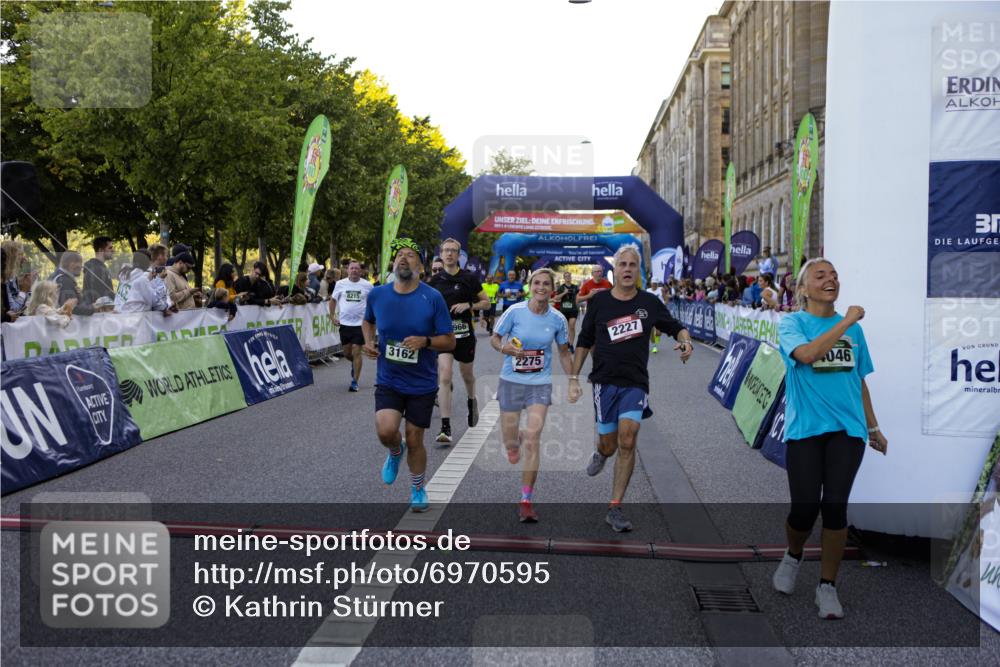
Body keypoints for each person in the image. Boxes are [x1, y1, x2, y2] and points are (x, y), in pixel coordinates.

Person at [771, 258, 887, 620]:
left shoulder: (853, 330)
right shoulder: (792, 324)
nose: (831, 279)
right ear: (803, 289)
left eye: (834, 275)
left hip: (847, 430)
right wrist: (847, 321)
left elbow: (859, 380)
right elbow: (807, 355)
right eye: (820, 275)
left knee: (835, 506)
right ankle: (793, 554)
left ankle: (827, 587)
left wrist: (872, 427)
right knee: (804, 509)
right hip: (806, 429)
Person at [569, 244, 693, 533]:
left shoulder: (649, 303)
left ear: (639, 270)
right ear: (614, 270)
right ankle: (601, 452)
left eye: (632, 265)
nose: (626, 269)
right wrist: (573, 380)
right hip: (604, 382)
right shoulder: (599, 303)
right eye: (622, 264)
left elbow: (676, 327)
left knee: (628, 438)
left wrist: (685, 342)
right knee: (609, 444)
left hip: (635, 382)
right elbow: (584, 342)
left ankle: (615, 506)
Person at [362, 238, 455, 512]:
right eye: (399, 255)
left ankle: (417, 489)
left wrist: (425, 342)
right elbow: (368, 320)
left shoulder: (432, 297)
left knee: (415, 439)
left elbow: (449, 341)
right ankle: (394, 450)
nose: (403, 259)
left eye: (411, 255)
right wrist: (368, 341)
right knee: (386, 430)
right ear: (393, 264)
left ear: (421, 266)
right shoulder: (377, 294)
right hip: (389, 378)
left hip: (422, 382)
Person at [491, 268, 573, 523]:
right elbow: (495, 338)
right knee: (511, 440)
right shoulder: (514, 312)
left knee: (534, 438)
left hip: (540, 382)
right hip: (512, 380)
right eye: (536, 283)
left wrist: (573, 380)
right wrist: (503, 347)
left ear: (552, 289)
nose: (541, 288)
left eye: (546, 284)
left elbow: (562, 352)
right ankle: (514, 440)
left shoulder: (558, 319)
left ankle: (526, 500)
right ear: (530, 286)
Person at [429, 238, 491, 444]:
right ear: (442, 252)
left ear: (459, 255)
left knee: (467, 375)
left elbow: (486, 302)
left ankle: (472, 401)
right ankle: (445, 427)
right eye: (446, 250)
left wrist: (469, 305)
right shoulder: (434, 282)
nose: (449, 254)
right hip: (444, 336)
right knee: (445, 376)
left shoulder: (469, 278)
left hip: (464, 335)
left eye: (453, 251)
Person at [330, 259, 374, 392]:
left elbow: (373, 303)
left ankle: (355, 381)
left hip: (360, 324)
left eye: (356, 268)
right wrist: (332, 316)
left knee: (356, 351)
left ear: (360, 271)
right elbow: (332, 300)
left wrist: (372, 321)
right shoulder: (340, 284)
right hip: (344, 323)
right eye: (352, 268)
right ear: (347, 270)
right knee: (347, 353)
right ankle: (354, 366)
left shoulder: (367, 285)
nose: (354, 270)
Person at [49, 251, 93, 316]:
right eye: (80, 263)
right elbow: (72, 308)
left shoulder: (55, 276)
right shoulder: (64, 281)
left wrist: (80, 295)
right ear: (72, 264)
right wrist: (93, 307)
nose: (82, 266)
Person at [82, 236, 116, 307]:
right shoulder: (97, 269)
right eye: (110, 248)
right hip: (100, 314)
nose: (113, 250)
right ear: (100, 250)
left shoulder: (98, 267)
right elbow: (99, 299)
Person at [552, 271, 580, 351]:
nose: (568, 277)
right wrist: (564, 292)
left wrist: (578, 301)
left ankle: (571, 344)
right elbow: (556, 298)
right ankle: (565, 342)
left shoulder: (575, 287)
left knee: (571, 326)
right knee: (565, 328)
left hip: (573, 309)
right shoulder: (561, 287)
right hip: (563, 310)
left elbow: (579, 296)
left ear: (571, 277)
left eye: (569, 276)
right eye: (566, 276)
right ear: (564, 278)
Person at [645, 280, 665, 354]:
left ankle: (656, 338)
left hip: (659, 312)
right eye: (653, 284)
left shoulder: (661, 290)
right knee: (652, 330)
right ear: (651, 284)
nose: (654, 285)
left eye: (655, 284)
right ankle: (654, 346)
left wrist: (664, 305)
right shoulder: (647, 290)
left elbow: (665, 299)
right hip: (650, 312)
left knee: (658, 333)